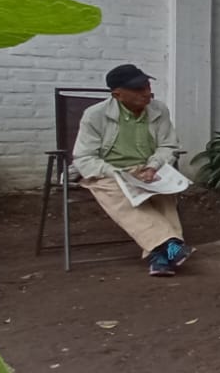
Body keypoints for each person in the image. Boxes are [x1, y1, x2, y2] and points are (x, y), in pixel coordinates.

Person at [73, 64, 191, 277]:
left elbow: (168, 146)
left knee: (163, 195)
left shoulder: (159, 109)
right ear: (118, 94)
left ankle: (161, 256)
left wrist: (152, 167)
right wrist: (117, 173)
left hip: (147, 167)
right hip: (108, 171)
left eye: (147, 86)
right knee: (120, 195)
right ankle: (169, 246)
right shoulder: (94, 115)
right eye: (139, 90)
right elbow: (84, 157)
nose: (147, 93)